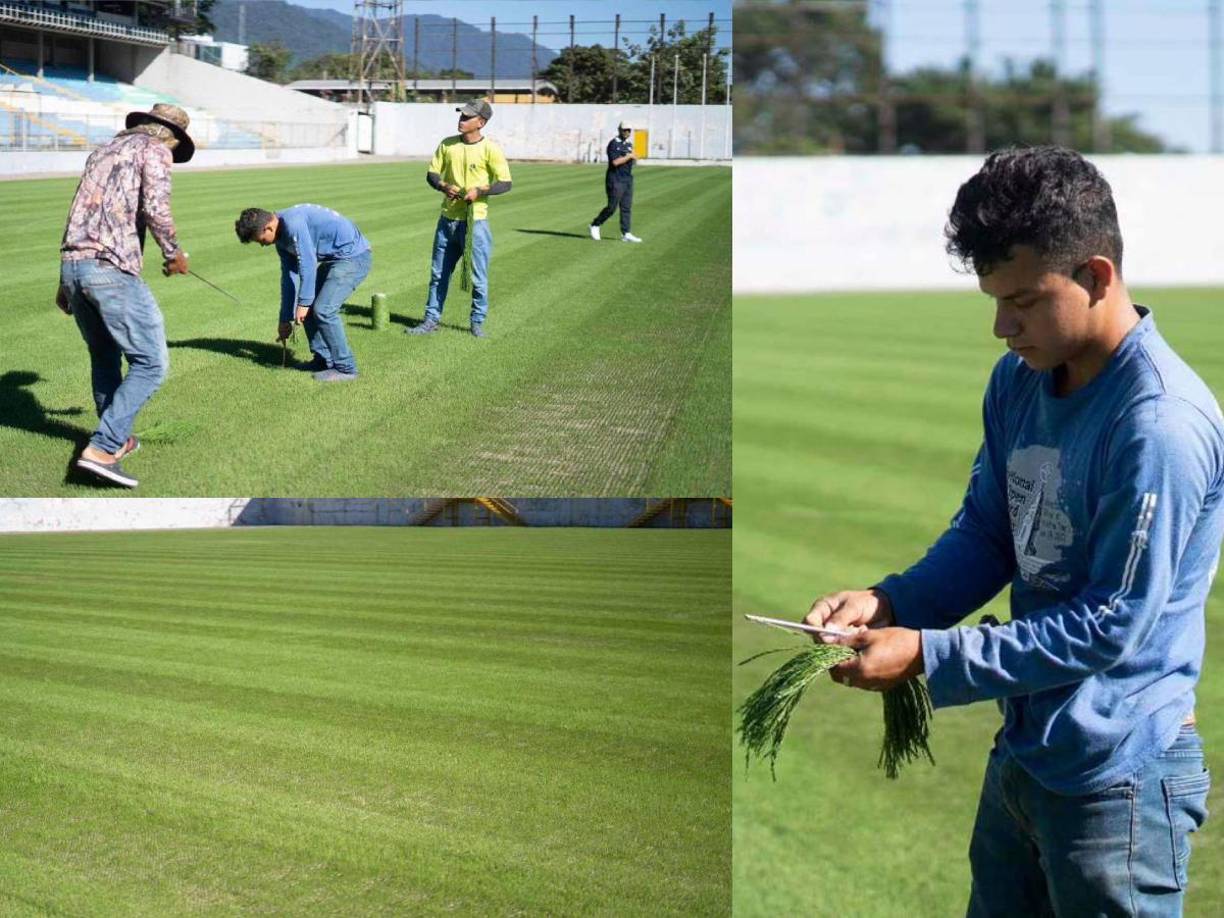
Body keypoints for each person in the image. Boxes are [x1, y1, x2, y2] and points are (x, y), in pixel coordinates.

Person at [805, 146, 1220, 917]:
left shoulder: (1159, 424)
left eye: (1024, 300)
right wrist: (892, 603)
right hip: (1026, 754)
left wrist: (930, 655)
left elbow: (1111, 626)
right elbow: (991, 535)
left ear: (1096, 276)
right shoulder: (1020, 382)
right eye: (993, 300)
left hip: (1119, 778)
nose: (1002, 327)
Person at [59, 103, 193, 488]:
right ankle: (103, 448)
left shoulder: (102, 150)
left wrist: (65, 280)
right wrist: (174, 254)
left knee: (104, 357)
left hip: (74, 265)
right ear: (170, 136)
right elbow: (156, 207)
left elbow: (78, 213)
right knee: (151, 363)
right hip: (110, 269)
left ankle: (115, 442)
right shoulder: (155, 150)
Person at [409, 99, 512, 339]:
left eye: (467, 117)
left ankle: (477, 323)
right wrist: (444, 186)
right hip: (447, 221)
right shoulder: (447, 145)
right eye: (461, 116)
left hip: (476, 223)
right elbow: (432, 174)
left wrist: (481, 191)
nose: (461, 120)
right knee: (438, 274)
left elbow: (505, 182)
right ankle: (431, 320)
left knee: (478, 277)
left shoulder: (491, 149)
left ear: (481, 122)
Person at [234, 204, 372, 381]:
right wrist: (285, 318)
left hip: (354, 257)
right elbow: (289, 278)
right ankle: (323, 360)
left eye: (260, 240)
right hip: (335, 260)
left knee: (324, 310)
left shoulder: (293, 224)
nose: (262, 245)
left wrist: (304, 303)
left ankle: (346, 368)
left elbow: (307, 263)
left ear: (268, 227)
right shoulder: (282, 239)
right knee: (309, 306)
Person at [589, 121, 642, 243]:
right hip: (615, 179)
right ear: (619, 130)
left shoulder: (629, 144)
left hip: (627, 179)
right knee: (612, 207)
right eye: (625, 130)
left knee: (626, 207)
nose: (627, 132)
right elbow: (615, 162)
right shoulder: (613, 144)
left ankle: (626, 233)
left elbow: (631, 160)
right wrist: (629, 156)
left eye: (629, 130)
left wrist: (634, 159)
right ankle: (595, 224)